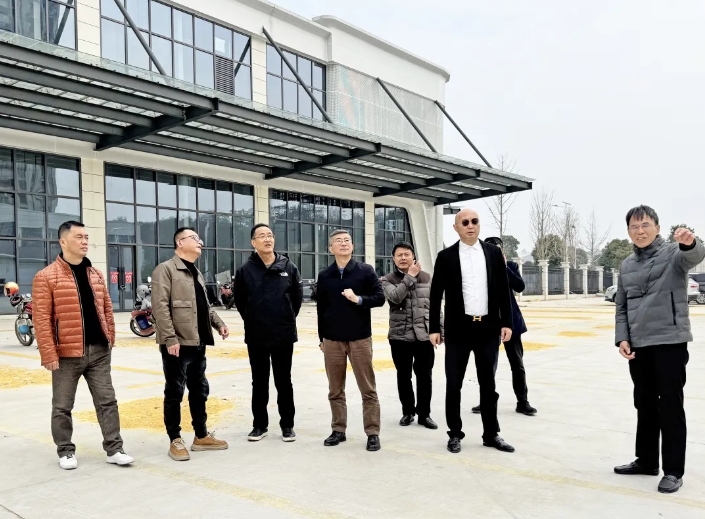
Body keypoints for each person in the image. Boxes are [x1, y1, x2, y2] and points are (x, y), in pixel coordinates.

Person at [613, 205, 705, 494]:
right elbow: (621, 306)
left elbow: (694, 255)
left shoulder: (672, 254)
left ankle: (673, 471)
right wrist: (622, 338)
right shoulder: (626, 265)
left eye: (645, 225)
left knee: (670, 406)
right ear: (628, 231)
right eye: (634, 226)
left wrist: (689, 242)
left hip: (669, 342)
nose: (640, 231)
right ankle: (647, 460)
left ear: (657, 228)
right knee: (644, 404)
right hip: (639, 346)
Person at [32, 221, 134, 470]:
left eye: (86, 237)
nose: (85, 241)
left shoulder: (95, 274)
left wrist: (110, 337)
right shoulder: (46, 276)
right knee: (62, 406)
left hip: (99, 351)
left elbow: (106, 308)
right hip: (66, 354)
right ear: (63, 241)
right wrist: (48, 353)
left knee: (107, 401)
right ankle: (65, 451)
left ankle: (114, 448)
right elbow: (42, 319)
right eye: (79, 237)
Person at [429, 209, 514, 454]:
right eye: (464, 222)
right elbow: (436, 294)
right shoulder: (446, 256)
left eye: (474, 221)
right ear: (456, 227)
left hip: (488, 328)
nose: (470, 225)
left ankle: (491, 434)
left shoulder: (493, 253)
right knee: (454, 383)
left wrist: (506, 323)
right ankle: (455, 433)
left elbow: (503, 290)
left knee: (488, 384)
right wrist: (434, 328)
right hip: (458, 330)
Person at [151, 227, 230, 462]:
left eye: (199, 238)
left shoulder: (195, 272)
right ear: (179, 242)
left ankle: (201, 436)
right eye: (194, 238)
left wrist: (219, 324)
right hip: (177, 342)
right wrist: (170, 338)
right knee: (175, 390)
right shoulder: (165, 269)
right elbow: (160, 307)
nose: (200, 242)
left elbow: (204, 306)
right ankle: (175, 439)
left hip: (198, 340)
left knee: (199, 389)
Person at [316, 229, 386, 451]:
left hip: (359, 339)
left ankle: (372, 432)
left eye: (347, 240)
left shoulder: (365, 271)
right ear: (331, 248)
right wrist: (321, 338)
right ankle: (338, 430)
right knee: (335, 390)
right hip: (332, 340)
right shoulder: (324, 275)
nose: (344, 243)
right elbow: (321, 309)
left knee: (368, 389)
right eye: (338, 241)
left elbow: (380, 298)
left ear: (353, 246)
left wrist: (358, 299)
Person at [234, 223, 302, 442]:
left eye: (270, 235)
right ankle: (259, 425)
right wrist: (253, 319)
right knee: (259, 381)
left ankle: (287, 426)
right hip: (257, 334)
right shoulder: (245, 270)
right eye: (262, 236)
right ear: (253, 242)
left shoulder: (288, 266)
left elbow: (297, 299)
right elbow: (240, 301)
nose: (267, 239)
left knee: (284, 380)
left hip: (283, 333)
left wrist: (286, 317)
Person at [471, 236, 537, 417]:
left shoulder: (511, 267)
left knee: (517, 364)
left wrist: (504, 266)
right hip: (487, 324)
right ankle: (486, 401)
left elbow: (520, 286)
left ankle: (522, 402)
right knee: (486, 366)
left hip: (511, 323)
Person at [381, 241, 440, 430]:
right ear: (393, 259)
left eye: (407, 254)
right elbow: (395, 297)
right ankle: (408, 412)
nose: (403, 258)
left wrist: (439, 330)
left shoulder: (427, 277)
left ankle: (424, 414)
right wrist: (410, 276)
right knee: (403, 375)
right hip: (400, 336)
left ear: (413, 256)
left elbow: (435, 306)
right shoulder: (387, 279)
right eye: (399, 255)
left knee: (425, 376)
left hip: (424, 335)